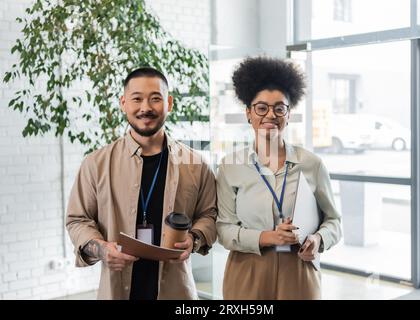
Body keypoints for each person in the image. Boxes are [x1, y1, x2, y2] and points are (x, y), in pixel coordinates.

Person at [66, 67, 217, 300]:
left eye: (155, 98)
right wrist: (101, 249)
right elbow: (78, 219)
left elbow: (209, 215)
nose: (145, 107)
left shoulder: (196, 164)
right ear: (123, 103)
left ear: (169, 103)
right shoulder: (96, 163)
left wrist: (194, 239)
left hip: (177, 291)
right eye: (137, 99)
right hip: (116, 290)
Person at [216, 56, 341, 300]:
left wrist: (318, 240)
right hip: (247, 273)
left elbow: (334, 221)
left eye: (279, 108)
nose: (270, 115)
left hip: (299, 271)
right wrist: (267, 237)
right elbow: (223, 229)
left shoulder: (312, 164)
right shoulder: (230, 167)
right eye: (261, 107)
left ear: (288, 114)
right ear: (248, 114)